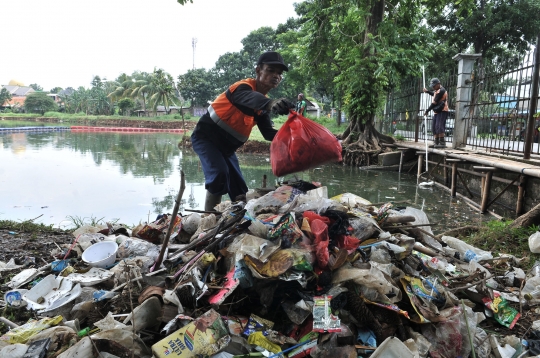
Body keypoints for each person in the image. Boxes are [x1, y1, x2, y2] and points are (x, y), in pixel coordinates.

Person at [191, 51, 294, 211]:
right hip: (206, 139)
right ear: (258, 70)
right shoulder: (242, 88)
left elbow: (268, 134)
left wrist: (293, 137)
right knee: (219, 174)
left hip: (227, 149)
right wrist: (270, 103)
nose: (276, 76)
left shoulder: (262, 108)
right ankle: (208, 219)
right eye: (270, 70)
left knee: (239, 190)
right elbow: (249, 98)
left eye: (279, 74)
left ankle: (237, 220)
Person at [423, 78, 449, 148]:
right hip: (437, 111)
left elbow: (434, 102)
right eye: (432, 86)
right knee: (434, 127)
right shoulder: (436, 91)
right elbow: (434, 94)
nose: (433, 87)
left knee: (439, 126)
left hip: (442, 110)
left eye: (434, 86)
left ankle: (442, 143)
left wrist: (427, 111)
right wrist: (427, 91)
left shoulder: (442, 90)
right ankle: (436, 143)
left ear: (438, 84)